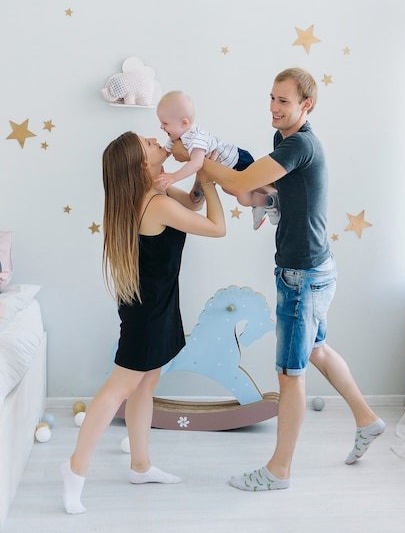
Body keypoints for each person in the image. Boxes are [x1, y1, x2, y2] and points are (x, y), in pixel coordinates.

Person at [182, 67, 385, 491]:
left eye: (283, 101)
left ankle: (279, 471)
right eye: (271, 98)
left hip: (302, 275)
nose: (273, 108)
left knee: (289, 374)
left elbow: (240, 181)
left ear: (305, 106)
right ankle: (368, 420)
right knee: (318, 350)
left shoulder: (299, 145)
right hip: (317, 267)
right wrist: (260, 193)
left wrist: (200, 163)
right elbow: (255, 187)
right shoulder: (284, 140)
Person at [60, 132, 226, 514]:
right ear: (142, 164)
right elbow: (217, 227)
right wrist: (209, 174)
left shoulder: (154, 192)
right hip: (148, 312)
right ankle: (74, 469)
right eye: (149, 143)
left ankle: (140, 465)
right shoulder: (154, 203)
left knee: (146, 382)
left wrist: (197, 179)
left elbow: (194, 205)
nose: (157, 139)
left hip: (154, 303)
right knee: (120, 387)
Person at [155, 90, 279, 230]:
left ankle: (269, 200)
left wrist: (173, 177)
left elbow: (196, 163)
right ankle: (263, 202)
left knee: (242, 195)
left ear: (184, 123)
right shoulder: (174, 137)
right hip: (227, 169)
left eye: (164, 123)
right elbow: (164, 153)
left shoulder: (196, 138)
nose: (161, 127)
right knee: (233, 192)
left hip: (238, 161)